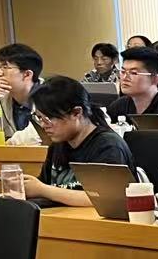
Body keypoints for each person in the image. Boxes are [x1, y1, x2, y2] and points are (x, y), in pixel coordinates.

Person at [20, 77, 132, 207]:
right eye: (39, 118)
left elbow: (107, 199)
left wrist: (43, 190)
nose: (44, 125)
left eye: (49, 118)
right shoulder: (58, 145)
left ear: (76, 113)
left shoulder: (108, 146)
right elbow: (44, 187)